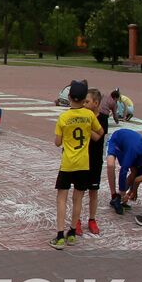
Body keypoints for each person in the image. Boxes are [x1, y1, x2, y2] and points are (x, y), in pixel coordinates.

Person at [50, 80, 102, 249]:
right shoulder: (89, 115)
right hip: (83, 163)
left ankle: (59, 235)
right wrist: (88, 134)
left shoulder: (64, 117)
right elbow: (99, 133)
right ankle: (72, 232)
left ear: (70, 97)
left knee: (61, 199)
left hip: (67, 163)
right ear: (83, 98)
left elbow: (57, 142)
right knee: (77, 198)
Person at [105, 124, 142, 215]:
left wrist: (131, 191)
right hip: (116, 139)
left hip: (128, 143)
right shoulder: (133, 152)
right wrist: (123, 193)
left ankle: (122, 197)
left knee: (135, 172)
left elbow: (140, 175)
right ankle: (115, 196)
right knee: (110, 165)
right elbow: (123, 171)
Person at [79, 87, 105, 236]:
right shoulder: (82, 115)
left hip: (95, 161)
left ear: (95, 103)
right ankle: (76, 220)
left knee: (93, 192)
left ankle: (92, 219)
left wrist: (84, 125)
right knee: (79, 192)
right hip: (82, 159)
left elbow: (97, 136)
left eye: (87, 101)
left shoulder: (102, 119)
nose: (84, 104)